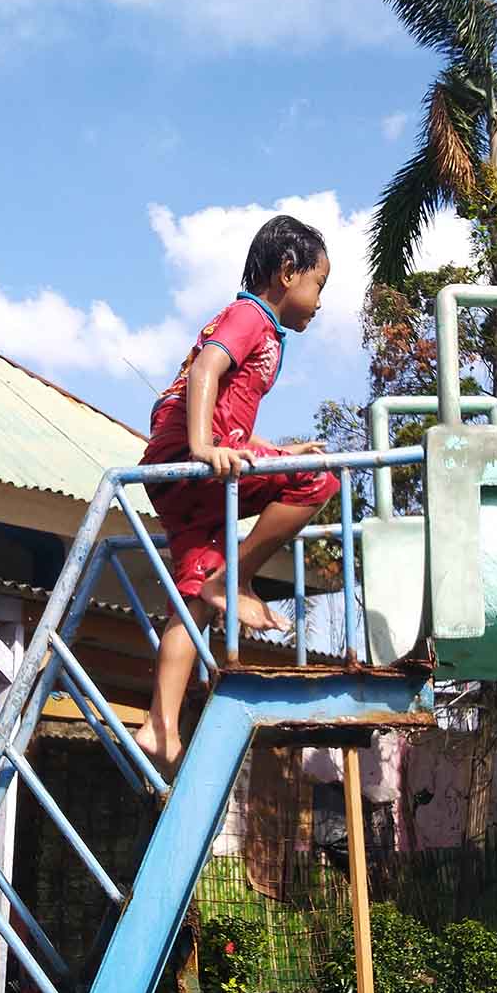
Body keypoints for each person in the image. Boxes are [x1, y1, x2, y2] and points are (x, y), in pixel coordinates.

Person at [131, 214, 340, 772]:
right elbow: (206, 370)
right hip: (191, 463)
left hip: (184, 478)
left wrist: (274, 450)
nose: (320, 302)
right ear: (288, 271)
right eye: (319, 285)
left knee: (196, 598)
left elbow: (233, 418)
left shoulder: (266, 330)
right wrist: (203, 447)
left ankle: (160, 725)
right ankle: (238, 576)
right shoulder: (249, 315)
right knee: (321, 481)